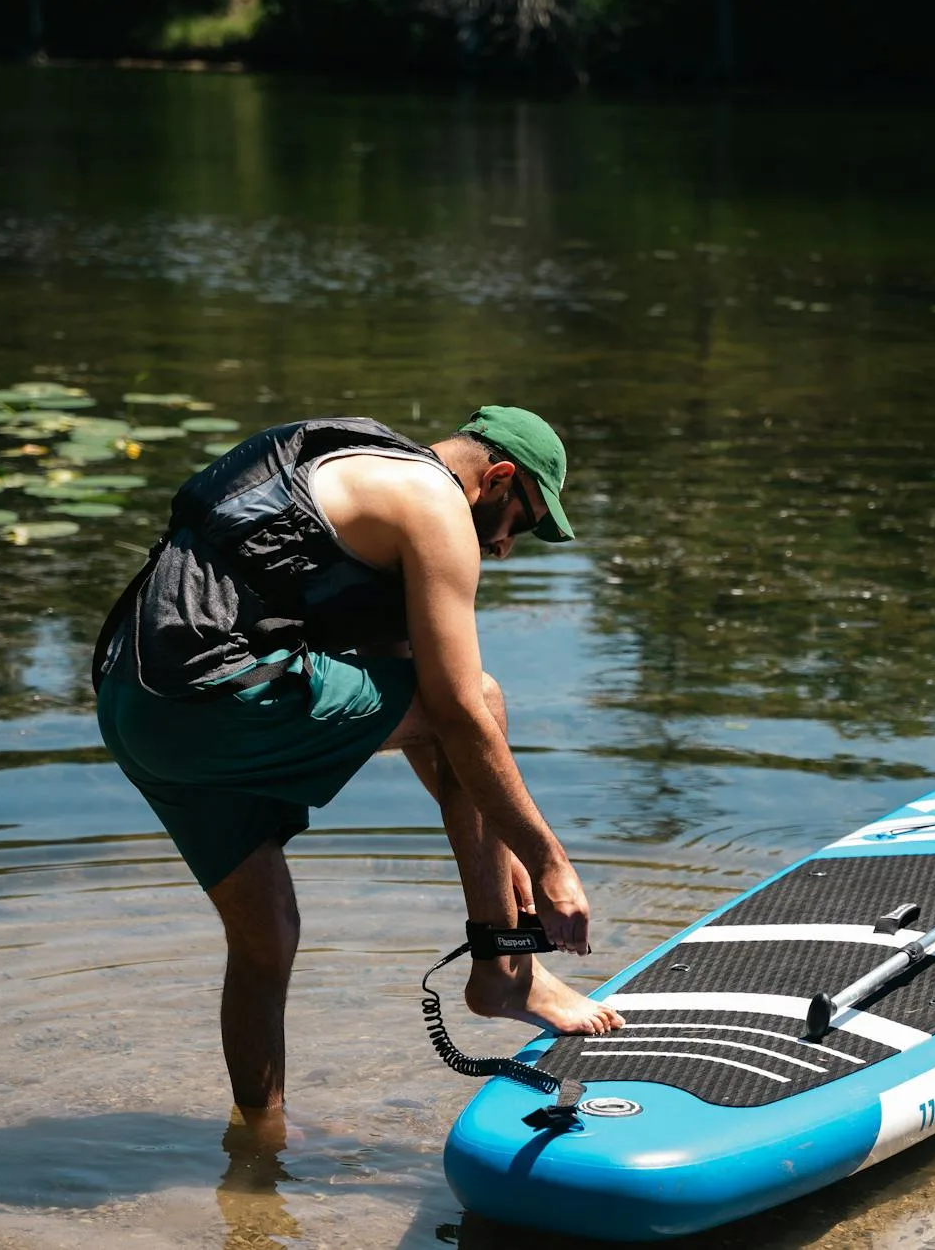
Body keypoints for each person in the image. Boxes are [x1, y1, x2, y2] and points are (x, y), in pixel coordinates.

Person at [92, 405, 623, 1131]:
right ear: (496, 476)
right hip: (212, 697)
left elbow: (424, 730)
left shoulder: (352, 481)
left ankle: (258, 1146)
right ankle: (502, 970)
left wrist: (506, 849)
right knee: (485, 700)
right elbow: (460, 713)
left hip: (134, 702)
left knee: (266, 934)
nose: (502, 547)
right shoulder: (431, 498)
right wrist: (550, 860)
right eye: (519, 523)